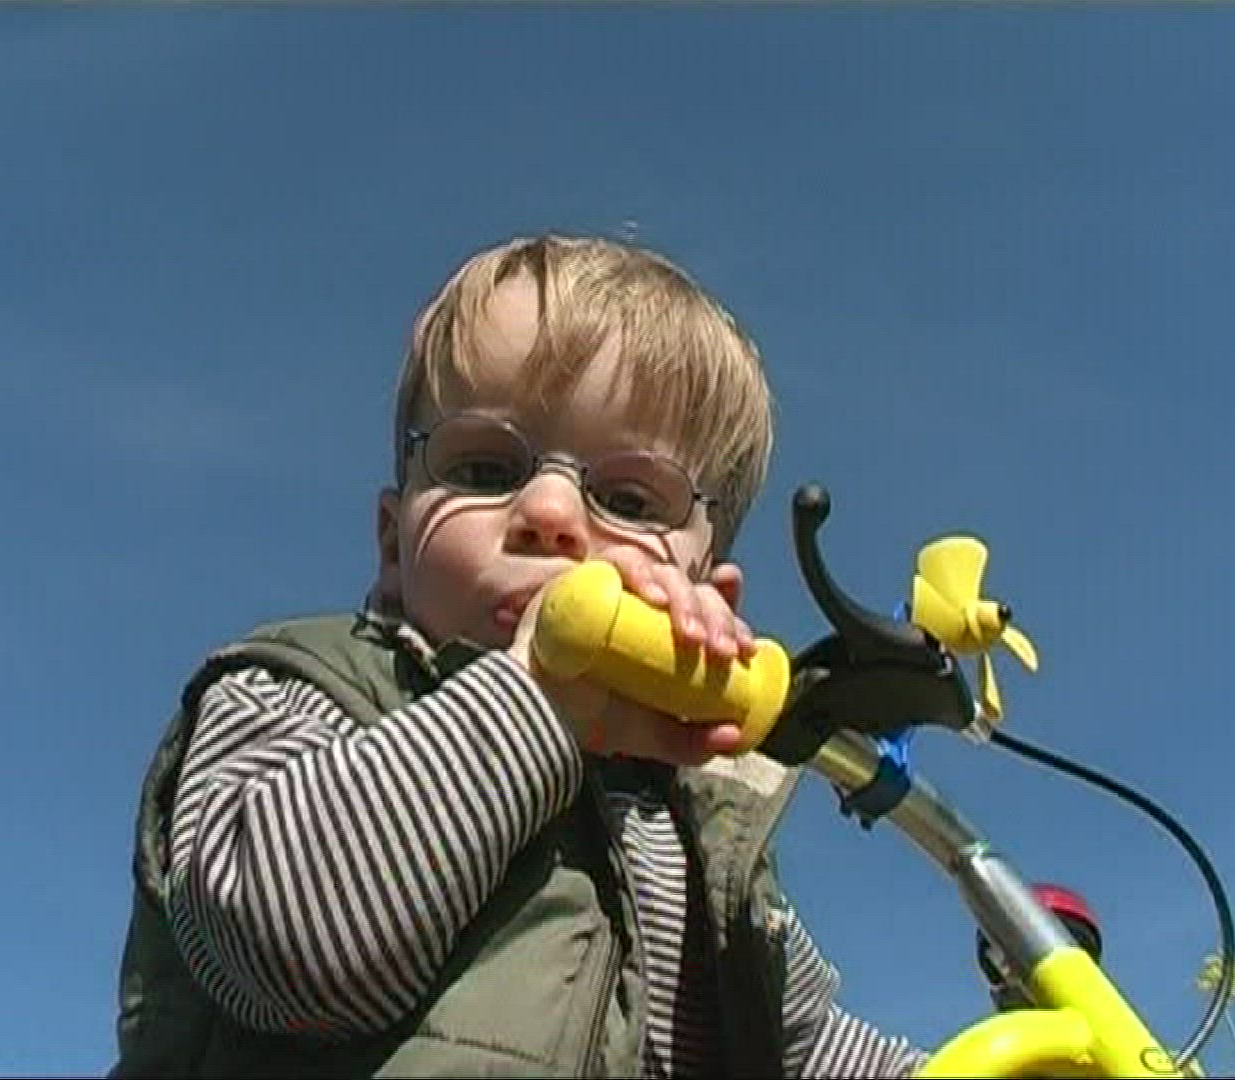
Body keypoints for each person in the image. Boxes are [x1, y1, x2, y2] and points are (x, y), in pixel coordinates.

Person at [108, 234, 928, 1077]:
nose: (549, 511)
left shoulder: (701, 830)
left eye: (627, 498)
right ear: (393, 546)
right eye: (485, 468)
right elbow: (278, 943)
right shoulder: (301, 691)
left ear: (709, 598)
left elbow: (805, 1046)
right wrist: (534, 697)